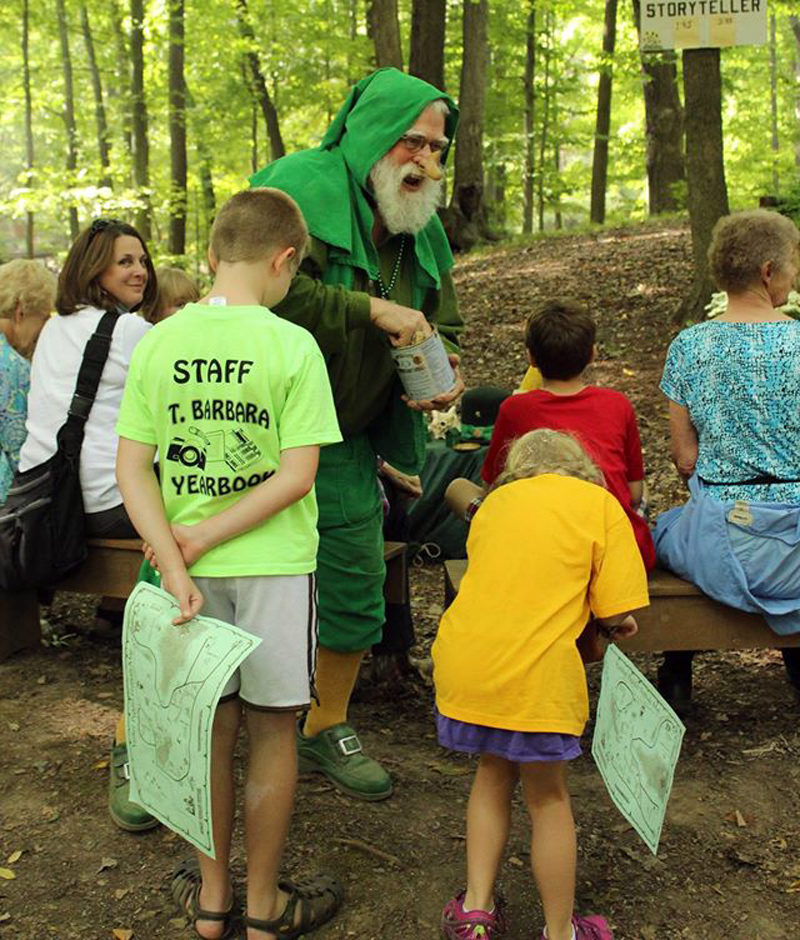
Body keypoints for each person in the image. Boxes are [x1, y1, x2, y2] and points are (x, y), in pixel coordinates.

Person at [116, 187, 344, 940]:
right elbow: (296, 476)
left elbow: (133, 468)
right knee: (275, 732)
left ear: (213, 256)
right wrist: (204, 540)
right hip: (276, 567)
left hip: (188, 573)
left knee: (209, 729)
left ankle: (212, 899)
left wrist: (176, 559)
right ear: (284, 261)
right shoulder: (292, 345)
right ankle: (262, 907)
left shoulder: (159, 340)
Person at [251, 66, 464, 800]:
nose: (426, 162)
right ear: (372, 132)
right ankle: (143, 733)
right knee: (193, 579)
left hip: (341, 436)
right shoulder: (301, 183)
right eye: (413, 143)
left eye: (438, 149)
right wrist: (371, 312)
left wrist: (442, 366)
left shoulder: (418, 228)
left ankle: (321, 726)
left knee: (354, 583)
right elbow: (257, 283)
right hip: (247, 429)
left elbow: (446, 320)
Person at [433, 430, 649, 940]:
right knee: (547, 798)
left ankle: (476, 912)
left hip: (468, 664)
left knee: (491, 774)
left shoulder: (496, 504)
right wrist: (618, 623)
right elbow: (617, 609)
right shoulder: (598, 504)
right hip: (538, 677)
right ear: (581, 466)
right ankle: (559, 931)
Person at [16, 220, 156, 829]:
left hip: (45, 498)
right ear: (93, 268)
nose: (139, 271)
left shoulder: (51, 328)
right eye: (124, 261)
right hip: (102, 501)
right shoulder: (132, 331)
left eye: (143, 261)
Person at [654, 208, 800, 713]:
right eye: (792, 264)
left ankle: (676, 669)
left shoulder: (691, 345)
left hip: (725, 552)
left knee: (668, 531)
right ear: (767, 271)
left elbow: (685, 458)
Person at [482, 300, 656, 571]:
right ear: (593, 354)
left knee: (458, 489)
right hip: (615, 548)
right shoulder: (617, 404)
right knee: (643, 494)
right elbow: (634, 492)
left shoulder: (514, 408)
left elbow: (494, 487)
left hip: (542, 547)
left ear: (531, 358)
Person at [0, 259, 56, 502]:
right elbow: (20, 453)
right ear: (20, 310)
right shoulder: (14, 368)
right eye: (42, 318)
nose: (43, 330)